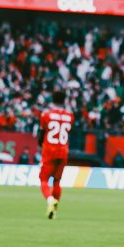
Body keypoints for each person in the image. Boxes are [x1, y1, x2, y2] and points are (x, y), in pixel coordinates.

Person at [37, 90, 73, 219]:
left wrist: (40, 144)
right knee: (57, 181)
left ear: (52, 99)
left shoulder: (46, 115)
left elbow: (41, 133)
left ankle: (50, 200)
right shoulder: (70, 115)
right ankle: (54, 211)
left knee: (44, 180)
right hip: (63, 150)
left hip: (49, 150)